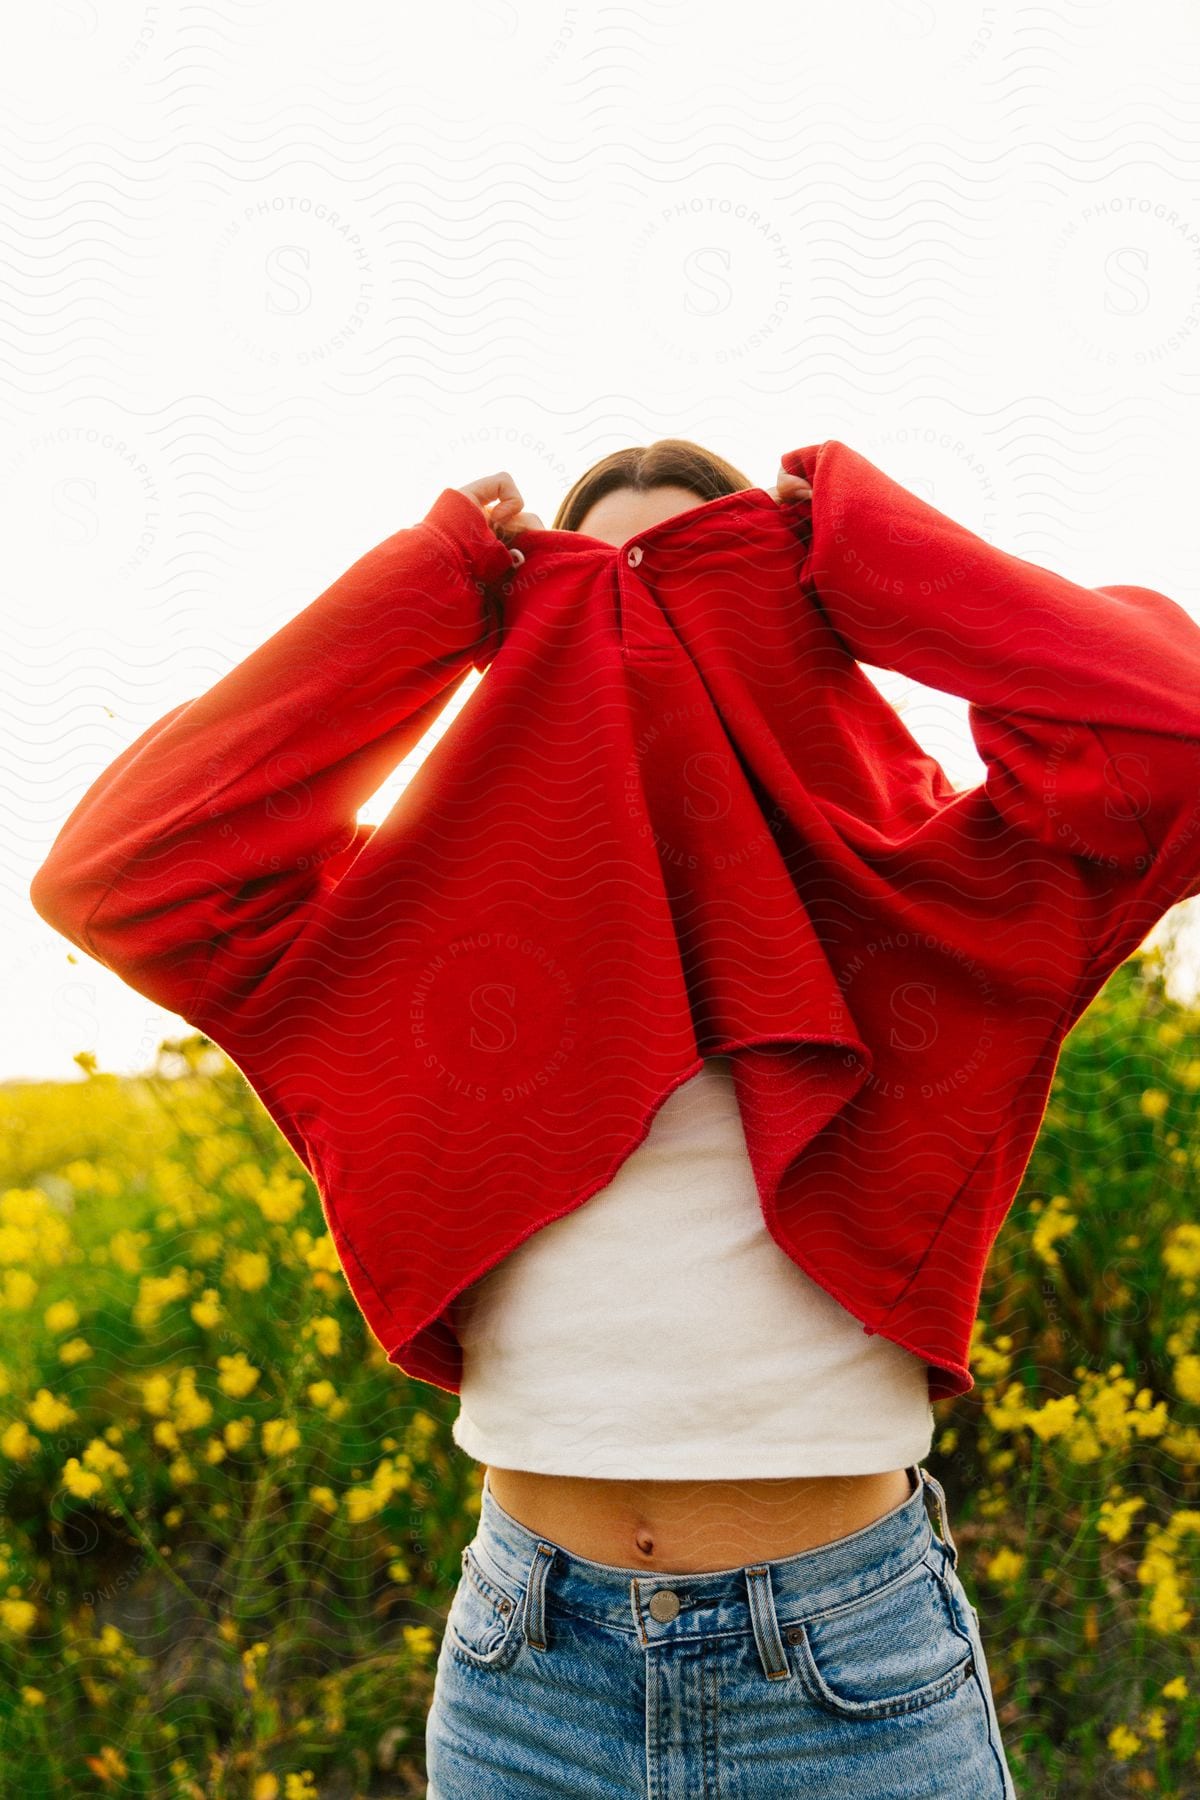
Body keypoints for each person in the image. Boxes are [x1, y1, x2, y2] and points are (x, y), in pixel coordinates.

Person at [425, 445, 1018, 1798]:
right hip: (528, 1679)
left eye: (701, 594)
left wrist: (870, 554)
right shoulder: (452, 946)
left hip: (847, 1683)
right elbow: (131, 863)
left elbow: (1170, 731)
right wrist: (437, 588)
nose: (653, 647)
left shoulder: (917, 901)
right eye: (600, 602)